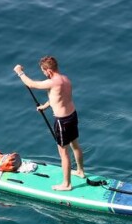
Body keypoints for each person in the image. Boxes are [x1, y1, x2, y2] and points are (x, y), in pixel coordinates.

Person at [14, 57, 85, 191]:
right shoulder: (65, 79)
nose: (43, 73)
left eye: (43, 71)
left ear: (49, 71)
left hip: (62, 121)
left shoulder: (51, 82)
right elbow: (58, 97)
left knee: (64, 153)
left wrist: (20, 72)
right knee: (75, 145)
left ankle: (66, 184)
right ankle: (80, 171)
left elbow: (31, 84)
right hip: (72, 116)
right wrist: (45, 106)